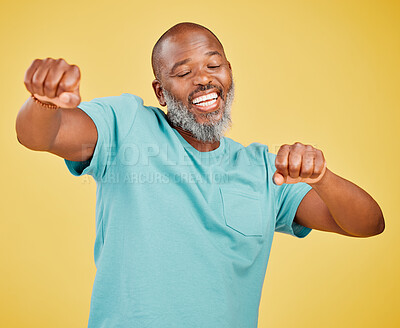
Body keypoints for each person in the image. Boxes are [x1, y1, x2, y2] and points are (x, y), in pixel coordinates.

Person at [15, 22, 384, 328]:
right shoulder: (125, 125)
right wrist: (45, 101)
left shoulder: (265, 170)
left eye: (214, 65)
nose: (204, 80)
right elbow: (40, 135)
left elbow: (368, 223)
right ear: (161, 91)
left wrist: (322, 177)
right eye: (183, 73)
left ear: (229, 73)